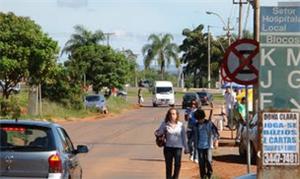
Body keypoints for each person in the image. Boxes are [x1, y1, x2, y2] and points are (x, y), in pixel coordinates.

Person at [155, 108, 189, 179]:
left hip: (178, 148)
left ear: (177, 115)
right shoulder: (165, 124)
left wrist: (186, 148)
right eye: (170, 114)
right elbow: (159, 133)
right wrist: (158, 133)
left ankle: (175, 177)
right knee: (168, 165)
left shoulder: (181, 125)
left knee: (177, 164)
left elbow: (183, 137)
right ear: (168, 115)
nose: (172, 115)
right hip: (168, 148)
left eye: (173, 114)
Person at [194, 107, 219, 179]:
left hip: (208, 146)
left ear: (203, 117)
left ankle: (209, 174)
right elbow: (193, 136)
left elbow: (216, 133)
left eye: (201, 119)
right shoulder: (196, 125)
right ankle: (203, 176)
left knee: (208, 160)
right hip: (199, 146)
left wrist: (216, 141)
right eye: (198, 120)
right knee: (201, 163)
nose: (200, 121)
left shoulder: (209, 124)